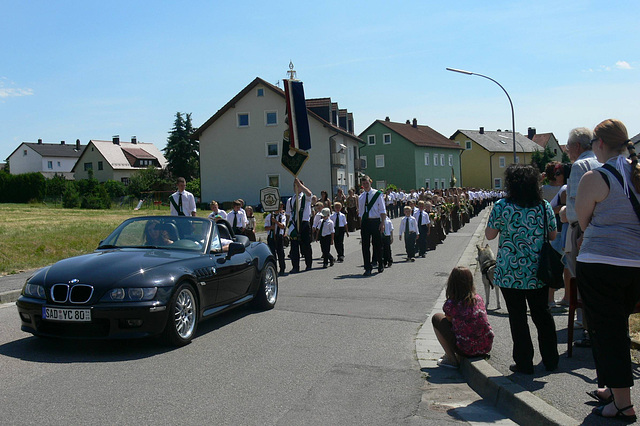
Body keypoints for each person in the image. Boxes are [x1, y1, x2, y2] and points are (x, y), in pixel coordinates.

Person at [575, 119, 640, 421]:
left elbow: (583, 222)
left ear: (599, 143)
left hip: (601, 264)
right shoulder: (637, 173)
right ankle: (614, 390)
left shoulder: (595, 177)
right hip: (635, 265)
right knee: (616, 328)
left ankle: (623, 404)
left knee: (608, 332)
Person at [485, 164, 559, 374]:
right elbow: (553, 235)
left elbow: (490, 235)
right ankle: (551, 360)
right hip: (538, 270)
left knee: (518, 318)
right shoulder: (543, 206)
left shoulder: (502, 206)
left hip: (510, 272)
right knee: (542, 315)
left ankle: (524, 362)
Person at [431, 266, 494, 369]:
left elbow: (449, 321)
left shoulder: (451, 304)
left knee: (437, 318)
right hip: (485, 346)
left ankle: (451, 359)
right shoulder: (478, 299)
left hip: (467, 349)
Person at [358, 176, 387, 276]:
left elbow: (382, 210)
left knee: (377, 244)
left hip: (375, 221)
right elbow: (361, 213)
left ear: (370, 182)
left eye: (367, 183)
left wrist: (382, 223)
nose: (365, 185)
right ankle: (367, 267)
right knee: (365, 246)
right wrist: (361, 224)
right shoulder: (360, 197)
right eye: (364, 184)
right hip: (365, 222)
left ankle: (380, 263)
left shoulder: (377, 194)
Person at [286, 178, 313, 273]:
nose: (296, 187)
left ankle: (308, 264)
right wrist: (286, 228)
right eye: (295, 186)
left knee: (306, 245)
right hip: (294, 224)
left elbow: (309, 193)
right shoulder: (290, 200)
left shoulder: (306, 197)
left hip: (304, 223)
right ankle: (295, 267)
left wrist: (300, 185)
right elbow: (288, 214)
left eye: (298, 186)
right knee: (294, 247)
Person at [265, 203, 287, 276]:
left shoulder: (282, 216)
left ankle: (282, 269)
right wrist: (271, 227)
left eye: (280, 207)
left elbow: (283, 226)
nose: (279, 209)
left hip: (279, 237)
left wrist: (276, 222)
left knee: (280, 253)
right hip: (271, 237)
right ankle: (274, 270)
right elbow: (265, 228)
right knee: (272, 254)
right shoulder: (269, 216)